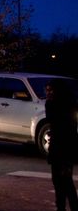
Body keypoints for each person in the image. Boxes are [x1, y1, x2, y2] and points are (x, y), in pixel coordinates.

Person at [46, 78, 78, 211]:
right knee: (66, 180)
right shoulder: (71, 103)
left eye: (49, 90)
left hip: (60, 146)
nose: (47, 92)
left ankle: (62, 207)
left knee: (60, 181)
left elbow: (51, 120)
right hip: (68, 146)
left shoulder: (53, 104)